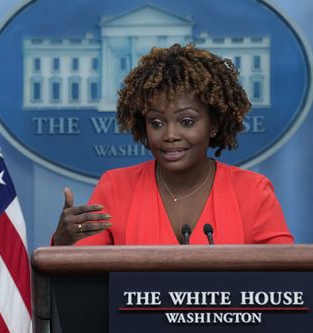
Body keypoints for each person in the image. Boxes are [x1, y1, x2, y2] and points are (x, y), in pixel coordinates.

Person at [52, 43, 293, 246]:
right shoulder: (116, 188)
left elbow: (287, 282)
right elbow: (80, 278)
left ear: (214, 124)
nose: (170, 135)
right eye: (156, 123)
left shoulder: (253, 192)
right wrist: (64, 243)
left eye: (187, 121)